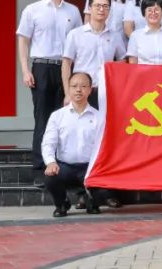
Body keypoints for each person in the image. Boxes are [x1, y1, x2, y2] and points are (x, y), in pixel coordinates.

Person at [16, 0, 83, 180]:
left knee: (65, 119)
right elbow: (23, 41)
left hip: (65, 68)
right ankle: (40, 169)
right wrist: (25, 70)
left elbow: (78, 42)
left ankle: (62, 167)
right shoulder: (32, 10)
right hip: (42, 68)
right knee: (43, 119)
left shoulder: (73, 11)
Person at [41, 72, 106, 217]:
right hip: (66, 167)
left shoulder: (99, 117)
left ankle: (90, 199)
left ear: (90, 90)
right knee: (51, 177)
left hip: (90, 168)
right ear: (69, 89)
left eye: (83, 86)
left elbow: (103, 145)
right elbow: (48, 142)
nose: (78, 90)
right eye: (74, 86)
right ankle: (62, 203)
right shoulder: (58, 116)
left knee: (105, 188)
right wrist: (50, 162)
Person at [62, 0, 127, 108]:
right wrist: (68, 93)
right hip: (81, 90)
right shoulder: (75, 34)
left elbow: (123, 60)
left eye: (105, 6)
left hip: (106, 90)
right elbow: (66, 64)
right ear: (90, 8)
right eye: (97, 6)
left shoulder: (115, 36)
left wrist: (110, 67)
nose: (101, 9)